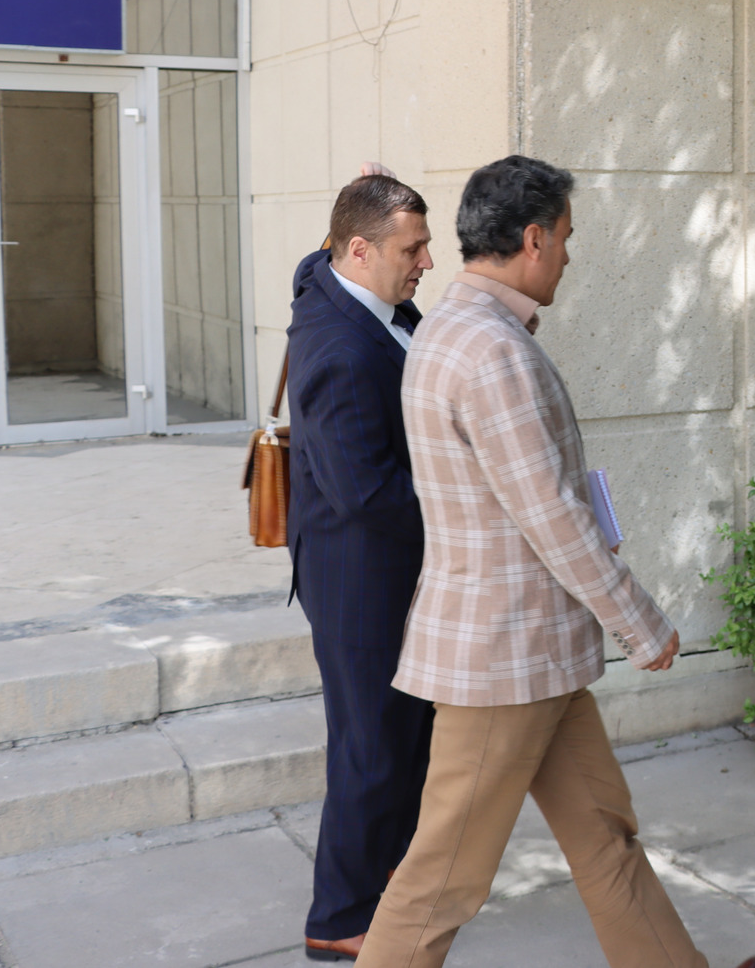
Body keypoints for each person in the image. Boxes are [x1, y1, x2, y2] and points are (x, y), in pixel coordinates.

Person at [355, 155, 755, 968]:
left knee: (604, 836)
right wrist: (639, 622)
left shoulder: (460, 328)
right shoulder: (490, 349)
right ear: (534, 238)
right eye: (568, 237)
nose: (571, 255)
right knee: (441, 882)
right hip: (504, 659)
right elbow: (551, 512)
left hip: (532, 654)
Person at [287, 169, 437, 961]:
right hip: (358, 574)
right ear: (358, 249)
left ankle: (388, 879)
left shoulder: (354, 290)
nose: (427, 262)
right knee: (371, 744)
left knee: (403, 735)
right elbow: (367, 493)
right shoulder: (340, 350)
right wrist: (463, 502)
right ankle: (340, 914)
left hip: (389, 566)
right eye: (412, 249)